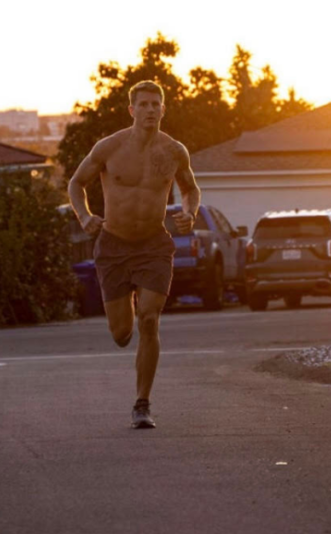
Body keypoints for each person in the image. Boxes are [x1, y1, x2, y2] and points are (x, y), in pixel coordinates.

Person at [67, 80, 200, 429]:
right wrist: (84, 216)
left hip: (154, 244)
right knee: (122, 333)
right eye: (143, 104)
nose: (151, 110)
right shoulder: (109, 148)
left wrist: (190, 212)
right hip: (112, 245)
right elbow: (76, 183)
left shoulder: (174, 151)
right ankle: (124, 306)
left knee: (150, 319)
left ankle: (142, 403)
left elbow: (190, 188)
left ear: (163, 109)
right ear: (132, 110)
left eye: (156, 104)